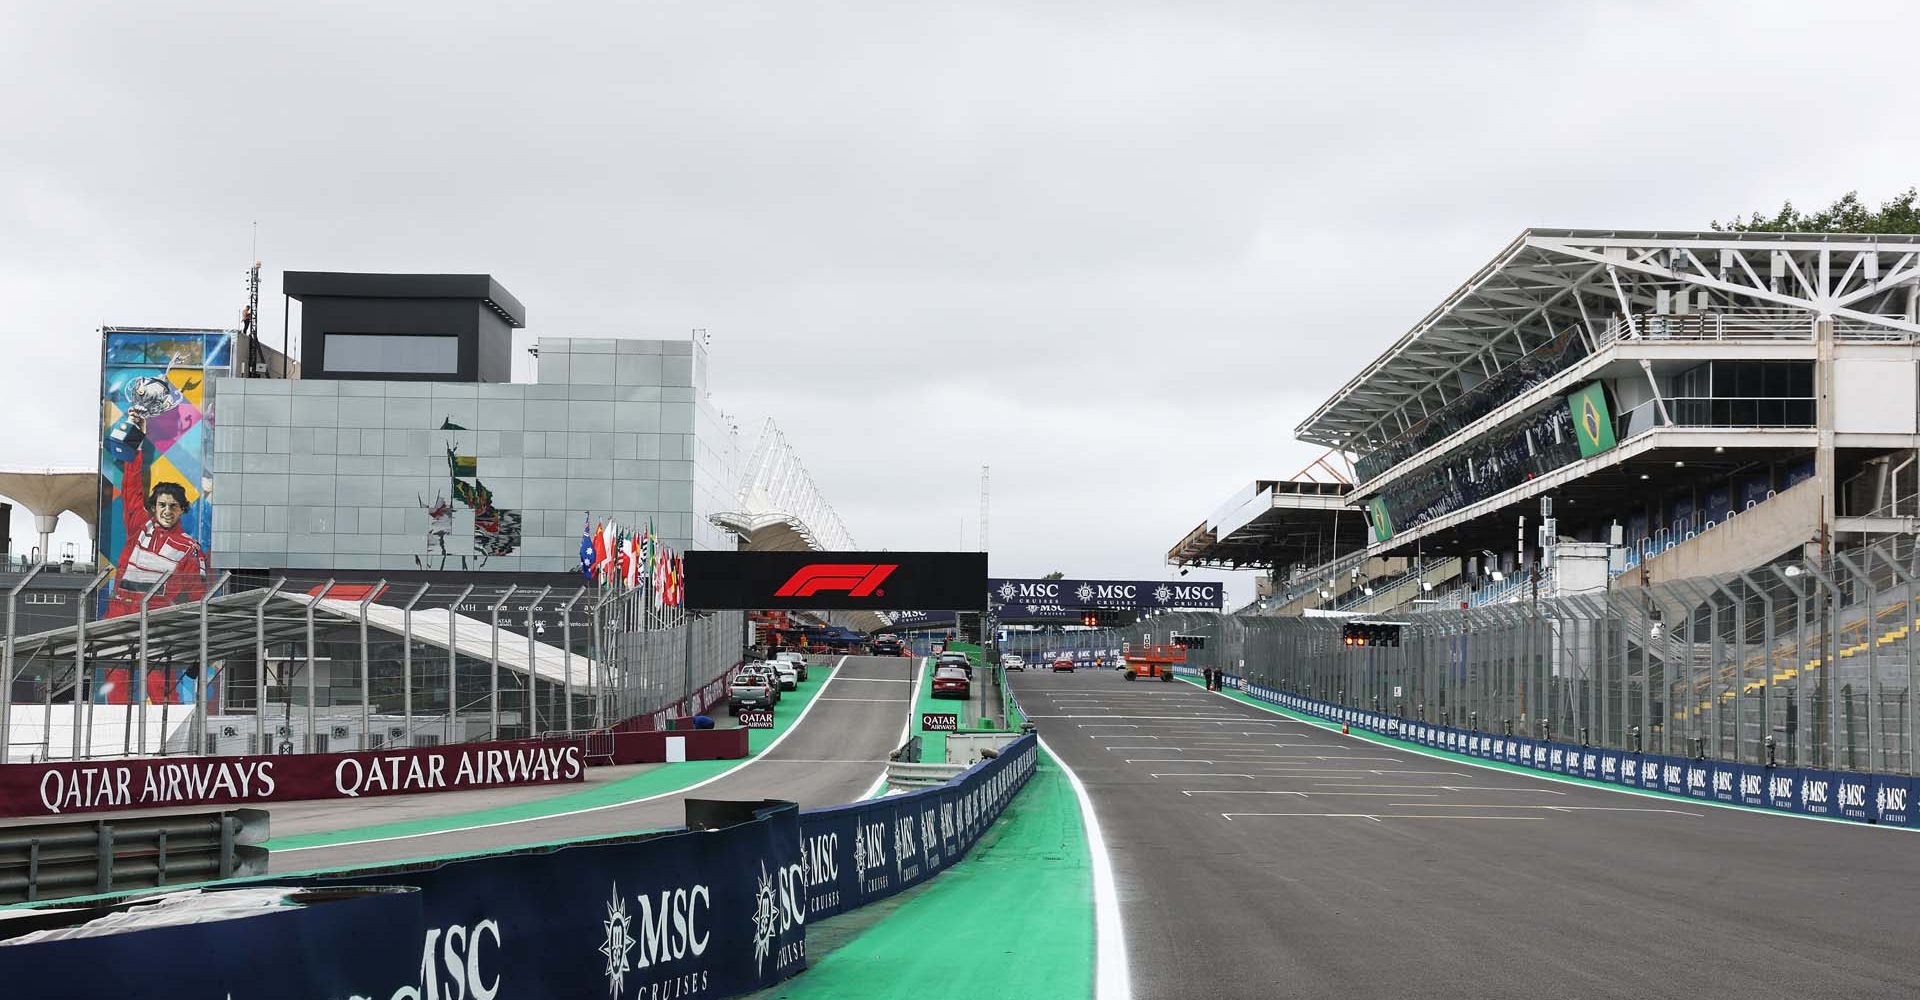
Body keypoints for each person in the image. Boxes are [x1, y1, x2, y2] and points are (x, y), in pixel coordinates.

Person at [105, 412, 211, 618]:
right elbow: (131, 485)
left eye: (174, 506)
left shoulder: (190, 548)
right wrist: (137, 436)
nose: (167, 511)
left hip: (155, 624)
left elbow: (198, 596)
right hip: (116, 618)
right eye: (162, 505)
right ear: (153, 507)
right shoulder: (139, 525)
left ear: (182, 509)